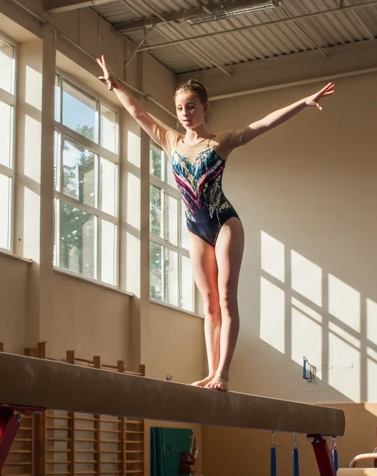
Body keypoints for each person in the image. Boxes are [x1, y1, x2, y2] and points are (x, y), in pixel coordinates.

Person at [96, 54, 335, 390]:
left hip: (224, 223)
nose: (185, 114)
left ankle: (224, 372)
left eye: (191, 106)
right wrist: (115, 85)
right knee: (209, 304)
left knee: (225, 297)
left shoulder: (219, 142)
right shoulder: (171, 142)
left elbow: (263, 124)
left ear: (205, 107)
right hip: (196, 228)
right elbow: (139, 113)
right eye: (180, 108)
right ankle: (211, 372)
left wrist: (304, 102)